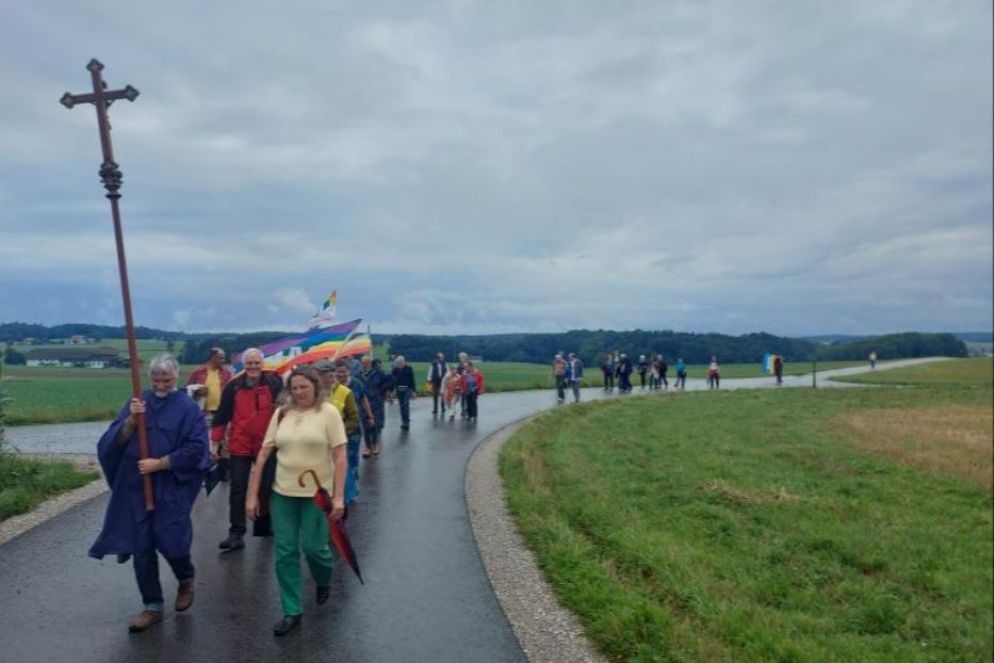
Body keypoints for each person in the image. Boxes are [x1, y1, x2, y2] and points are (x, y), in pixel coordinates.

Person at [89, 354, 209, 633]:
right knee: (142, 546)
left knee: (172, 539)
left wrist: (162, 463)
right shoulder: (138, 403)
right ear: (150, 378)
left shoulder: (188, 409)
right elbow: (110, 442)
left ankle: (186, 578)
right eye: (156, 379)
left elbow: (197, 448)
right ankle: (152, 606)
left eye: (166, 379)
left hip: (171, 485)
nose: (161, 384)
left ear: (176, 376)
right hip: (137, 484)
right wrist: (131, 421)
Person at [246, 366, 347, 637]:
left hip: (317, 494)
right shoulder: (281, 414)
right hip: (282, 494)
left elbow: (339, 457)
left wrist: (338, 497)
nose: (300, 392)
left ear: (315, 387)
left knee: (316, 549)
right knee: (285, 552)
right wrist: (253, 495)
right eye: (295, 387)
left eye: (304, 387)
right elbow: (264, 455)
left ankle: (323, 579)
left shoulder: (329, 413)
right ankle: (292, 610)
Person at [209, 348, 282, 552]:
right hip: (240, 443)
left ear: (262, 363)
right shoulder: (233, 386)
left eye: (256, 363)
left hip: (266, 444)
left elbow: (284, 409)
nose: (253, 367)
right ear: (243, 365)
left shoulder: (274, 382)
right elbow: (222, 415)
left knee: (266, 486)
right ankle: (236, 532)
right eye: (249, 363)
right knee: (238, 489)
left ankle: (263, 525)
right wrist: (215, 442)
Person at [316, 359, 360, 505]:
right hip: (318, 441)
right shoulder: (313, 393)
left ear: (330, 375)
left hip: (338, 440)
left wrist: (336, 433)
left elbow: (353, 419)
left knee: (342, 470)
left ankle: (344, 500)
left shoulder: (345, 392)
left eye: (321, 375)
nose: (318, 378)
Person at [186, 347, 233, 424]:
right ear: (213, 358)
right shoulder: (198, 372)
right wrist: (196, 392)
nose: (224, 360)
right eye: (221, 358)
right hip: (203, 413)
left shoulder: (227, 373)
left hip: (221, 412)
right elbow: (187, 391)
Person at [359, 356, 391, 455]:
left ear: (370, 363)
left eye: (366, 363)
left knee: (374, 425)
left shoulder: (378, 373)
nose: (364, 365)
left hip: (376, 402)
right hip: (363, 402)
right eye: (363, 363)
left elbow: (389, 381)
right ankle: (367, 446)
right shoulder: (358, 374)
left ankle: (375, 444)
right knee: (365, 426)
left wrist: (381, 392)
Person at [391, 355, 417, 430]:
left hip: (407, 389)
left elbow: (412, 380)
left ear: (404, 361)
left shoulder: (409, 368)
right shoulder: (395, 370)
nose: (400, 363)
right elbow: (392, 381)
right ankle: (403, 421)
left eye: (401, 362)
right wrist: (392, 391)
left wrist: (414, 391)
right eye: (398, 362)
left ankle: (406, 422)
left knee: (405, 404)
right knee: (402, 406)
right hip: (399, 389)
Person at [457, 352, 470, 418]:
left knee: (467, 398)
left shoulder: (468, 364)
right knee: (462, 398)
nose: (460, 358)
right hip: (461, 384)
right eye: (460, 357)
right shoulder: (459, 365)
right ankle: (463, 410)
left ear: (465, 357)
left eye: (461, 357)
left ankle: (467, 409)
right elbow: (457, 374)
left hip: (468, 383)